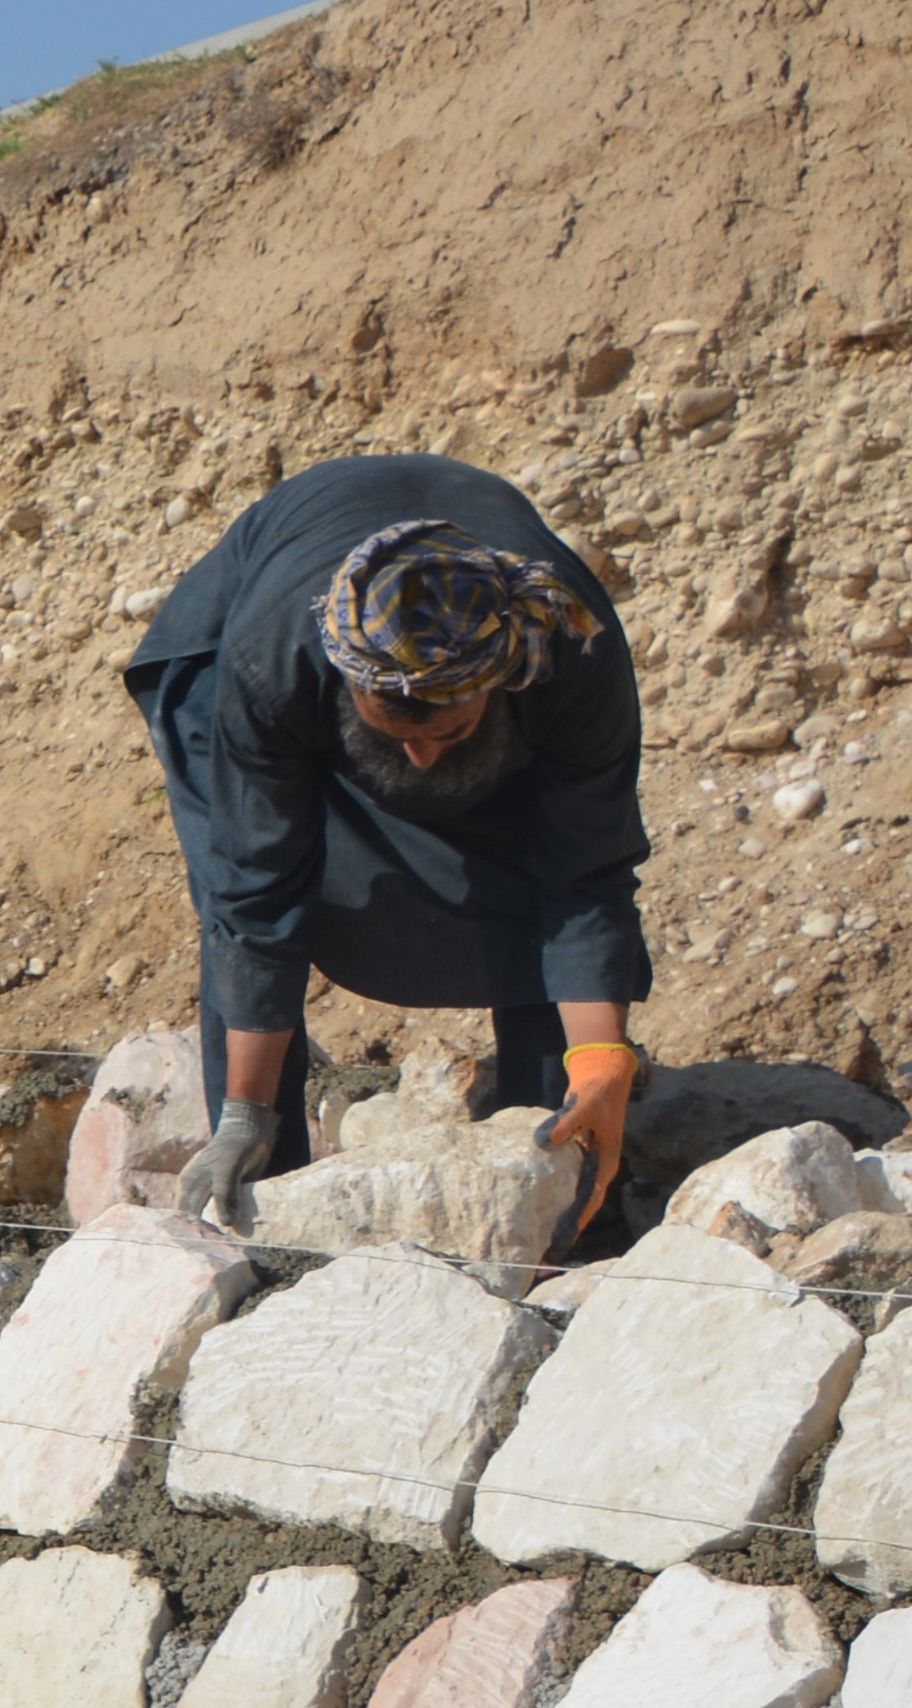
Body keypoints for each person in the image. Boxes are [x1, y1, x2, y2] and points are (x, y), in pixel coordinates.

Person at [130, 455, 651, 1232]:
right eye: (395, 732)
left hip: (507, 708)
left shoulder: (568, 650)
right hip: (250, 655)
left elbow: (583, 875)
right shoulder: (271, 662)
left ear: (496, 681)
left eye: (446, 732)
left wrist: (603, 1064)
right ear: (349, 685)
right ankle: (256, 1199)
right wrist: (244, 1110)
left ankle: (565, 1191)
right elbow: (256, 894)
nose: (418, 760)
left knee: (527, 891)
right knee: (239, 903)